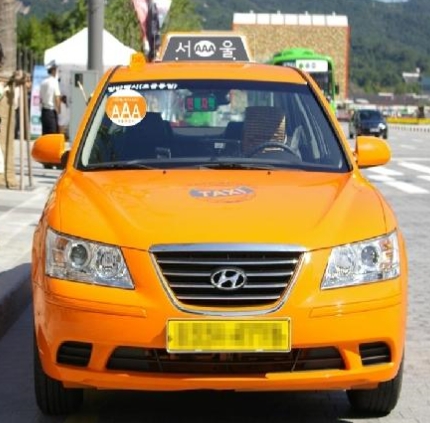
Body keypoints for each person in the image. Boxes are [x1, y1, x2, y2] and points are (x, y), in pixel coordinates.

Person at [39, 60, 61, 134]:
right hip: (51, 111)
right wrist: (59, 110)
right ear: (53, 71)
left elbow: (41, 98)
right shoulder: (54, 82)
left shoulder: (43, 82)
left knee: (45, 134)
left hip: (44, 111)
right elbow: (57, 97)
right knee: (53, 133)